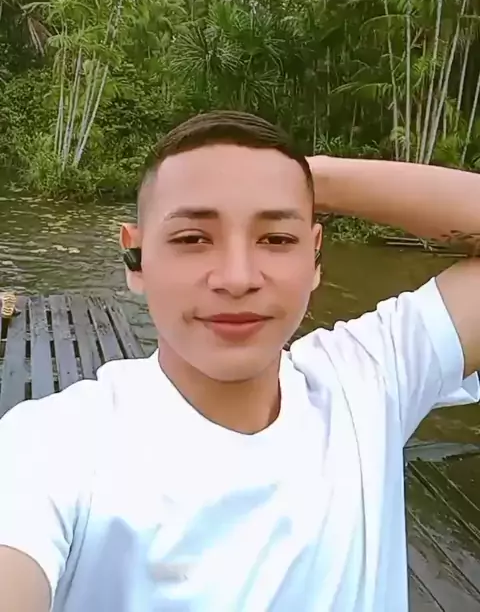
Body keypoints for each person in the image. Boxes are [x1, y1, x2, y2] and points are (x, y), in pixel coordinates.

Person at [0, 110, 479, 612]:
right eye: (192, 239)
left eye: (277, 238)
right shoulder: (53, 444)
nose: (237, 278)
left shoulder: (368, 380)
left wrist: (301, 176)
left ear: (315, 256)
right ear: (136, 259)